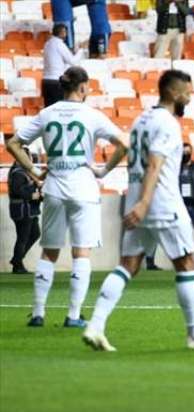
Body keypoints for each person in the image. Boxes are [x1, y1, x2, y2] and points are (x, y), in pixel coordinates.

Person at [83, 70, 194, 351]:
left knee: (128, 265)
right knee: (187, 263)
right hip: (160, 203)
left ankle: (95, 326)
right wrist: (145, 202)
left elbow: (127, 151)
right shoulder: (167, 123)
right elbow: (154, 164)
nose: (189, 98)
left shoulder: (142, 119)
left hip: (137, 201)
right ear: (173, 93)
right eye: (187, 93)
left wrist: (126, 191)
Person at [5, 66, 127, 327]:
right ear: (82, 87)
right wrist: (104, 170)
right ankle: (73, 315)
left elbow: (12, 143)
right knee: (81, 253)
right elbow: (124, 144)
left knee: (49, 252)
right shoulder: (92, 115)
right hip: (83, 187)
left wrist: (34, 171)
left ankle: (38, 313)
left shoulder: (47, 113)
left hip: (54, 187)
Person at [8, 147, 42, 274]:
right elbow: (17, 191)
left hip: (29, 210)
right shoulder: (18, 172)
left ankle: (17, 260)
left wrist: (39, 193)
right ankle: (17, 264)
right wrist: (32, 195)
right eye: (28, 157)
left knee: (34, 234)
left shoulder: (24, 171)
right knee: (23, 237)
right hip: (23, 210)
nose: (31, 159)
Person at [42, 23, 84, 107]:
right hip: (56, 81)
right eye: (65, 32)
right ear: (62, 33)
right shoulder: (59, 44)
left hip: (46, 81)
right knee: (57, 107)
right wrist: (81, 50)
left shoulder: (47, 44)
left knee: (48, 108)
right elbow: (73, 61)